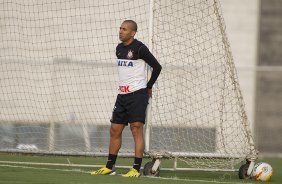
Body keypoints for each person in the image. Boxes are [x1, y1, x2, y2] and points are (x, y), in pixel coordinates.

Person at [91, 20, 162, 177]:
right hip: (121, 95)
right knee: (114, 129)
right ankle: (110, 167)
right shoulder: (118, 49)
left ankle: (135, 169)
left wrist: (149, 86)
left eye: (124, 29)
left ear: (133, 33)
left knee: (136, 129)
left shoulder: (140, 48)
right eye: (120, 28)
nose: (121, 31)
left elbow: (157, 67)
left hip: (137, 95)